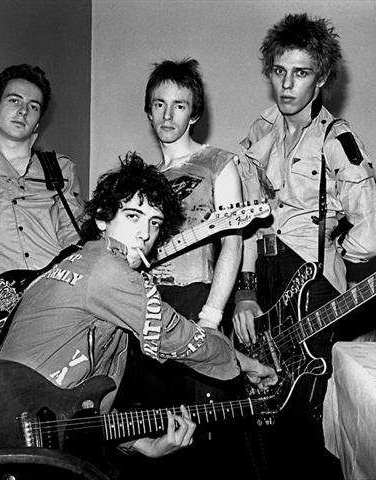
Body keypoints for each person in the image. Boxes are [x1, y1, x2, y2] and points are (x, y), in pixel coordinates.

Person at [0, 153, 277, 476]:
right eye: (132, 216)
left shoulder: (80, 264)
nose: (144, 234)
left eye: (154, 222)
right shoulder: (107, 271)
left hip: (24, 432)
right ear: (102, 218)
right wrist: (252, 366)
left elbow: (79, 411)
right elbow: (183, 340)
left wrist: (145, 445)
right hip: (12, 444)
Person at [233, 13, 376, 480]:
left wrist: (330, 254)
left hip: (311, 285)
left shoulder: (337, 139)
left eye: (300, 73)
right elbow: (242, 219)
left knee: (303, 415)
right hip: (262, 276)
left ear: (320, 80)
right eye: (279, 71)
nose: (286, 84)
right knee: (255, 410)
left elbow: (373, 237)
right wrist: (243, 291)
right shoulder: (261, 132)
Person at [115, 58, 244, 479]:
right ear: (149, 111)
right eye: (159, 104)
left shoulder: (218, 164)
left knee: (205, 437)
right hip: (144, 310)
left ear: (196, 113)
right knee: (152, 430)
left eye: (180, 105)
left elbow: (232, 242)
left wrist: (211, 316)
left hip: (195, 301)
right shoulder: (142, 178)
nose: (168, 115)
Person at [0, 64, 83, 364]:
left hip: (60, 305)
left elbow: (75, 240)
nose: (23, 111)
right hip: (6, 309)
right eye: (14, 100)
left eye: (33, 106)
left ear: (38, 121)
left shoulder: (60, 168)